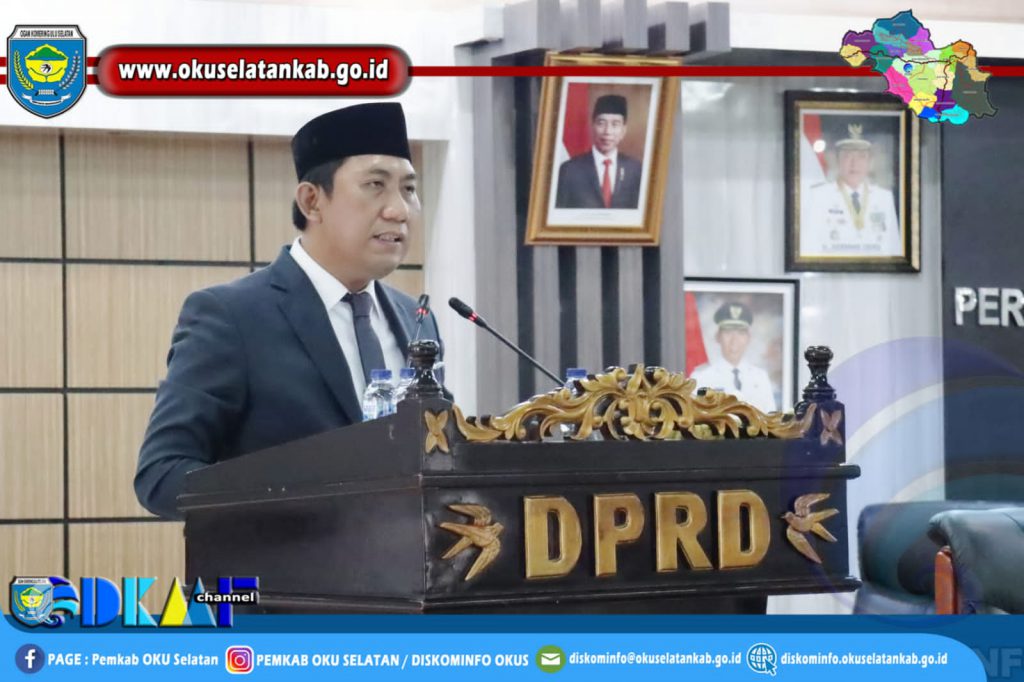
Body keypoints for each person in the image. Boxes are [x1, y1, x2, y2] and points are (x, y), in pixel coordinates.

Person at [134, 102, 442, 520]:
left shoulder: (415, 319)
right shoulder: (231, 316)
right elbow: (161, 475)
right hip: (278, 561)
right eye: (375, 185)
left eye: (408, 189)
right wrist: (298, 496)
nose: (399, 210)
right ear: (312, 201)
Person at [801, 123, 902, 257]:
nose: (854, 163)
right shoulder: (818, 196)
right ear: (837, 159)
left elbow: (894, 249)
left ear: (869, 161)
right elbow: (808, 247)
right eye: (847, 156)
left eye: (861, 156)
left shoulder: (884, 197)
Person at [554, 94, 643, 209]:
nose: (607, 131)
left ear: (623, 130)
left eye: (615, 124)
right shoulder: (569, 170)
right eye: (601, 123)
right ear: (592, 126)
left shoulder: (635, 170)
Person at [690, 302, 777, 414]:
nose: (734, 340)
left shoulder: (760, 378)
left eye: (741, 333)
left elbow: (771, 417)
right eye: (728, 332)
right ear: (718, 336)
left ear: (748, 338)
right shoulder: (701, 377)